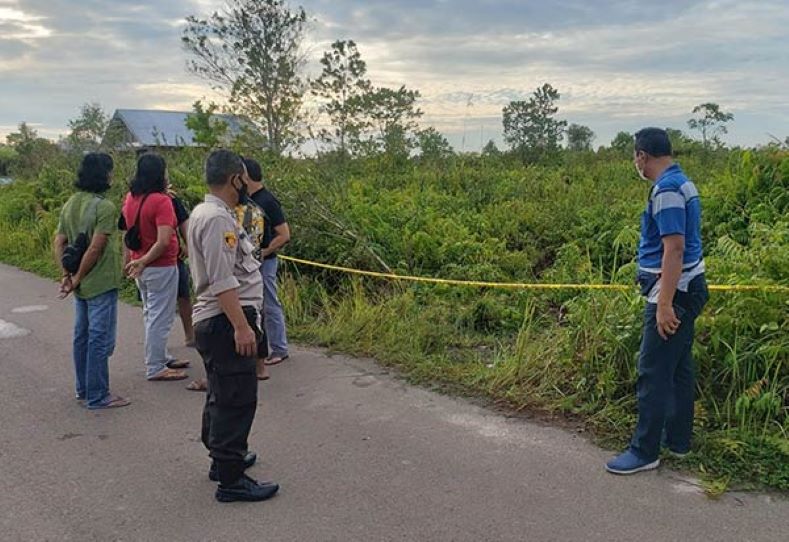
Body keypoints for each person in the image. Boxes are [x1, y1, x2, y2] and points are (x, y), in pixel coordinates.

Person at [606, 128, 709, 475]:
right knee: (678, 368)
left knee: (652, 371)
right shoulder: (683, 182)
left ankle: (644, 450)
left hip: (673, 291)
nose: (635, 162)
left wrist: (664, 304)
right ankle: (677, 441)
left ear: (642, 156)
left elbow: (674, 248)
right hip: (689, 287)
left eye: (635, 156)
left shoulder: (666, 190)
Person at [188, 149, 279, 503]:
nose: (247, 184)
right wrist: (242, 328)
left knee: (221, 394)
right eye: (243, 178)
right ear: (234, 179)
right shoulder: (217, 219)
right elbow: (222, 278)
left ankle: (223, 459)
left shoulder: (207, 212)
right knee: (236, 400)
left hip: (220, 319)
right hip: (227, 319)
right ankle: (231, 480)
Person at [53, 153, 130, 409]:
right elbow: (96, 249)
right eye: (110, 171)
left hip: (81, 284)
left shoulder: (70, 203)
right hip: (100, 281)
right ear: (104, 175)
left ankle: (83, 389)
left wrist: (68, 275)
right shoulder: (105, 207)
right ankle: (98, 395)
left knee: (81, 335)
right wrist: (78, 277)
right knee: (100, 338)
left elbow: (59, 242)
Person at [121, 153, 189, 382]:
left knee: (151, 312)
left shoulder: (131, 198)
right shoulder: (162, 201)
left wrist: (136, 260)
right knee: (161, 316)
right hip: (160, 265)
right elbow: (163, 240)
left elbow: (126, 232)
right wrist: (145, 260)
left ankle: (160, 355)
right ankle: (156, 365)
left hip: (141, 264)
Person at [242, 157, 291, 366]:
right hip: (248, 261)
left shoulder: (268, 200)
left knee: (270, 303)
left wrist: (265, 251)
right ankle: (260, 348)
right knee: (254, 305)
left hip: (266, 262)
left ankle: (279, 348)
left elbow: (284, 234)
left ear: (246, 175)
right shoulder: (244, 200)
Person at [170, 190, 195, 347]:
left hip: (174, 255)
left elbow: (183, 224)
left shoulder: (172, 199)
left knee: (183, 296)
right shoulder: (137, 196)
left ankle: (190, 335)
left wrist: (188, 246)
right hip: (164, 256)